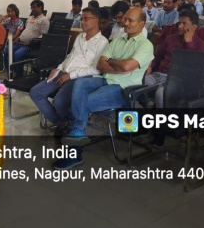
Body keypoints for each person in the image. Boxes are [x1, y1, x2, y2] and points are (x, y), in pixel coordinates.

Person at [63, 8, 154, 150]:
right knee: (80, 82)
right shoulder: (117, 40)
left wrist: (111, 61)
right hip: (105, 79)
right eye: (125, 19)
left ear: (141, 24)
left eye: (130, 20)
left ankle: (76, 136)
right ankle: (77, 130)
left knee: (82, 102)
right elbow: (101, 64)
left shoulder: (146, 45)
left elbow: (126, 66)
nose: (125, 23)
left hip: (123, 88)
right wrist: (117, 66)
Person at [30, 7, 108, 139]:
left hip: (80, 78)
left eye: (86, 19)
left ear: (96, 20)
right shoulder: (80, 37)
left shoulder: (102, 42)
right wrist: (59, 68)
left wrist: (71, 76)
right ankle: (63, 123)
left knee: (59, 101)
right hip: (64, 72)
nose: (82, 22)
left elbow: (97, 69)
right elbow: (70, 56)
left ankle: (69, 124)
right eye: (82, 19)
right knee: (35, 92)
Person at [145, 10, 204, 108]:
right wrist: (150, 67)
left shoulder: (201, 45)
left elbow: (195, 67)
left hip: (178, 80)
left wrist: (189, 43)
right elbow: (157, 56)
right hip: (158, 75)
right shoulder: (170, 39)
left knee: (161, 94)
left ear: (194, 27)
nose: (180, 26)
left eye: (184, 24)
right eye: (179, 23)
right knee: (137, 84)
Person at [7, 0, 49, 76]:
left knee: (17, 54)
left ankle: (19, 76)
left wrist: (30, 42)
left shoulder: (44, 20)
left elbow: (43, 35)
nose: (32, 9)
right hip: (20, 42)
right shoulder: (30, 18)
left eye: (34, 7)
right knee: (6, 49)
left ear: (40, 7)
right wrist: (18, 38)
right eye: (31, 7)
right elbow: (26, 30)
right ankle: (10, 72)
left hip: (31, 45)